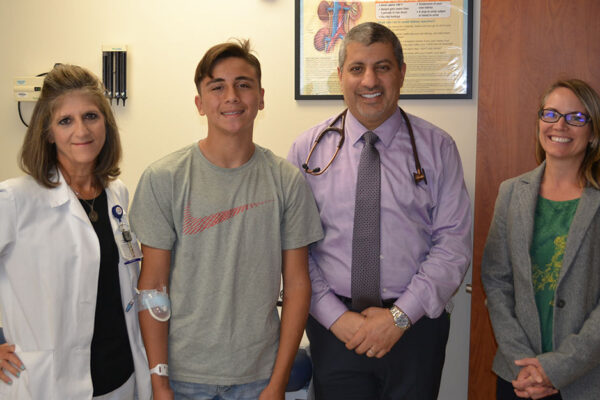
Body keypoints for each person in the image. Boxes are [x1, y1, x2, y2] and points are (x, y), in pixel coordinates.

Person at [129, 39, 323, 400]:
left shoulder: (286, 181)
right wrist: (159, 382)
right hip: (182, 375)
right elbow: (153, 286)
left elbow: (297, 285)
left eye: (243, 84)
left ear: (261, 98)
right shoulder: (164, 178)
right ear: (200, 103)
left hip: (259, 376)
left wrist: (277, 384)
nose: (231, 95)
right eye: (217, 87)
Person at [287, 22, 472, 399]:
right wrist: (337, 320)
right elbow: (294, 250)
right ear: (340, 76)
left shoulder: (438, 148)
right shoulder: (307, 151)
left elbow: (453, 245)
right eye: (357, 68)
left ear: (401, 73)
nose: (369, 80)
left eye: (383, 67)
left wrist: (399, 318)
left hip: (416, 328)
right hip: (334, 329)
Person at [0, 64, 151, 399]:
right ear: (48, 132)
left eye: (91, 116)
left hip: (119, 377)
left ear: (106, 124)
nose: (81, 130)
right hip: (49, 383)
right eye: (65, 120)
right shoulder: (15, 199)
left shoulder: (117, 193)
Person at [482, 79, 600, 400]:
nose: (560, 125)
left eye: (576, 118)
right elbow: (496, 281)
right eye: (551, 114)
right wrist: (524, 364)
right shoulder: (510, 193)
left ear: (593, 133)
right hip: (517, 377)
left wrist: (557, 368)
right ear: (539, 122)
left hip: (586, 378)